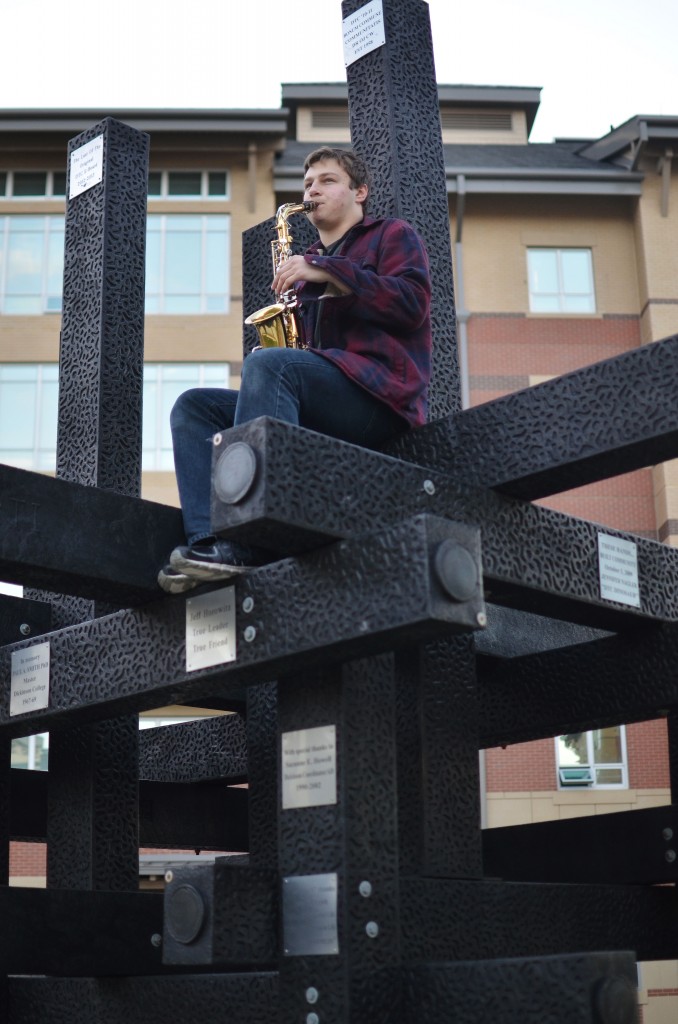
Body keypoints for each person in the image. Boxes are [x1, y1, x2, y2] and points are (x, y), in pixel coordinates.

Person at [159, 146, 432, 593]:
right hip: (324, 401)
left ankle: (255, 539)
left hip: (381, 401)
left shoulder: (391, 235)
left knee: (272, 367)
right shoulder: (303, 268)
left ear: (360, 192)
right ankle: (209, 544)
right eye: (307, 184)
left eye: (327, 180)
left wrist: (326, 269)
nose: (312, 191)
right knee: (195, 407)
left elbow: (411, 304)